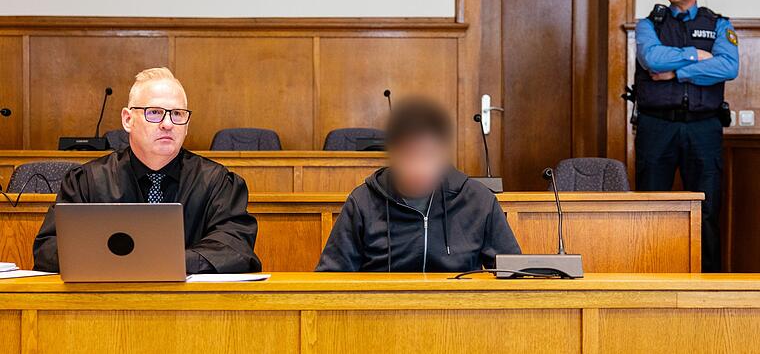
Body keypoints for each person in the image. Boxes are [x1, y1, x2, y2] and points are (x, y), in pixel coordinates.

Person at [33, 67, 261, 273]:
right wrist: (123, 260)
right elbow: (49, 248)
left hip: (189, 303)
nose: (168, 124)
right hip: (107, 302)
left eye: (177, 114)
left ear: (186, 125)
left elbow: (235, 247)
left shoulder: (217, 183)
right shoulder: (87, 181)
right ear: (127, 119)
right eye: (154, 112)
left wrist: (165, 262)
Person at [316, 97, 521, 272]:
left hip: (455, 306)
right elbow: (331, 277)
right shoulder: (363, 201)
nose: (418, 168)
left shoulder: (478, 200)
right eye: (408, 155)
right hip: (382, 306)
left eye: (428, 155)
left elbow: (513, 274)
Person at [634, 0, 739, 272]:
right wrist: (696, 55)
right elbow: (652, 59)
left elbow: (728, 66)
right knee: (650, 209)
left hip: (703, 128)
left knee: (707, 210)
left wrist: (677, 72)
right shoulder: (649, 25)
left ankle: (709, 285)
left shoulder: (718, 24)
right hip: (657, 127)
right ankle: (650, 281)